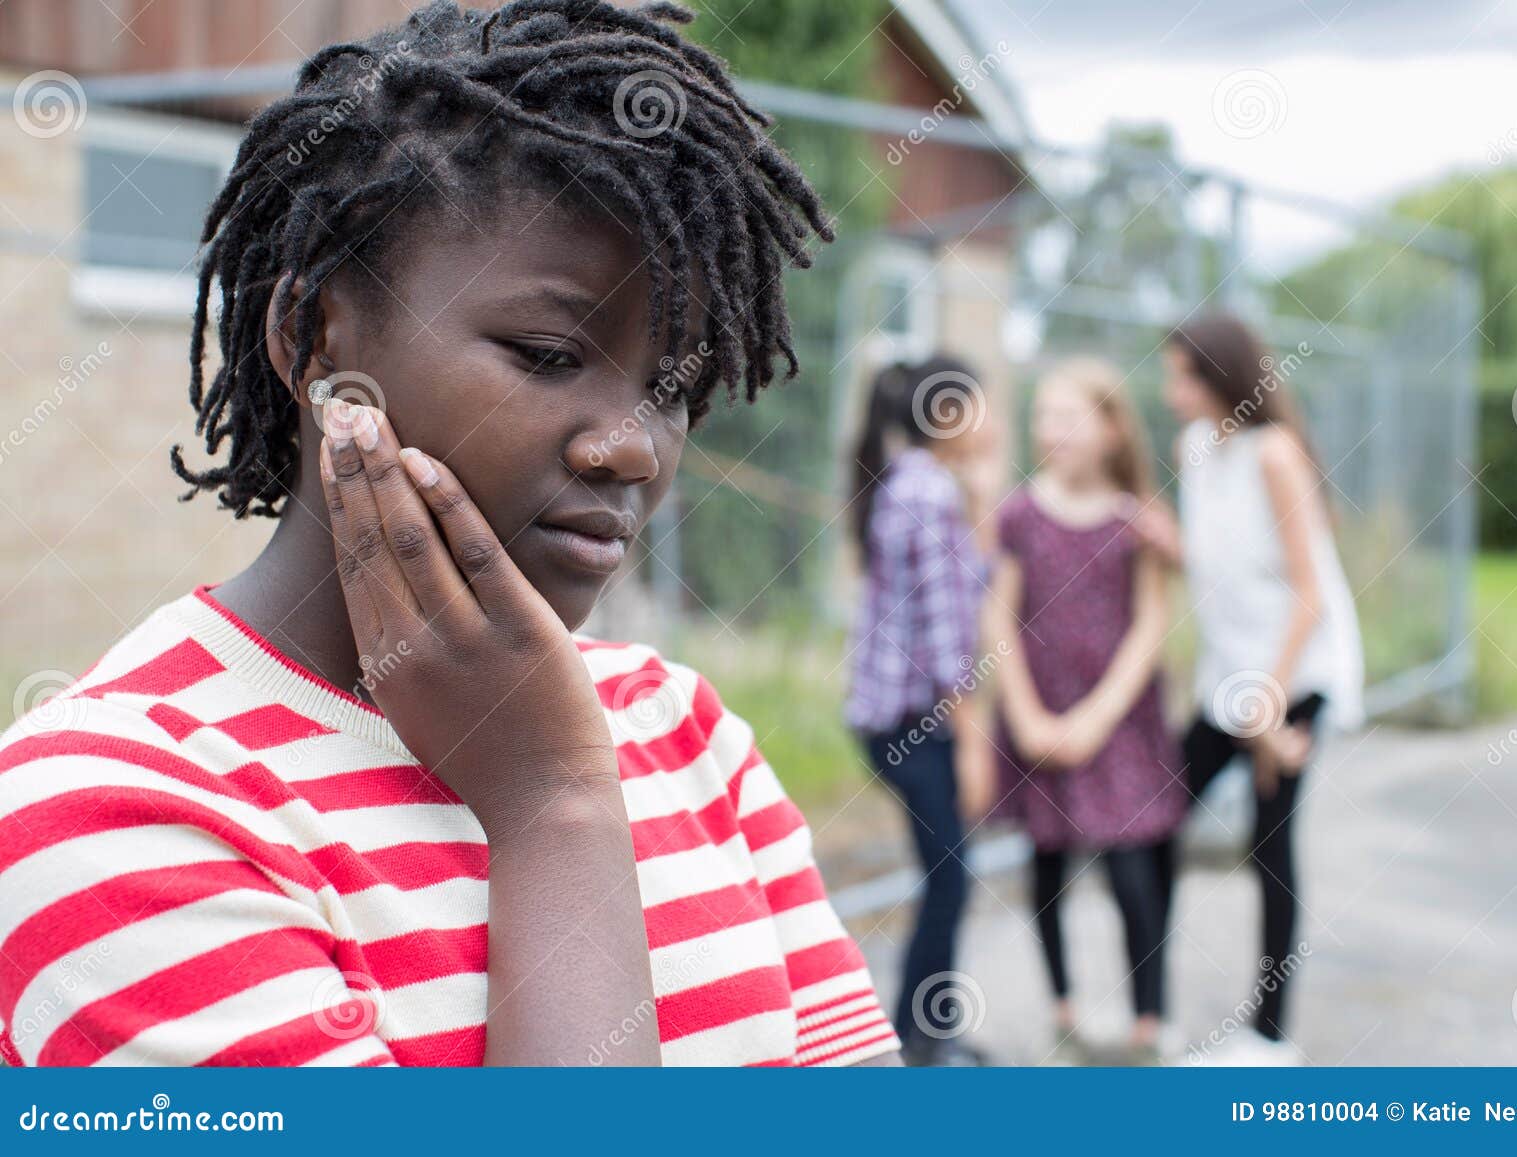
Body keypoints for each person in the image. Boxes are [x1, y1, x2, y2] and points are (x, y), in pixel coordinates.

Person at [0, 1, 901, 1068]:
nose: (636, 449)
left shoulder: (687, 735)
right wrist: (551, 804)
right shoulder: (111, 812)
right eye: (545, 353)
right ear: (310, 335)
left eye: (673, 387)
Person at [1141, 313, 1364, 1065]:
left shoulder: (1276, 455)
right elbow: (1216, 561)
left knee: (1271, 843)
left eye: (1182, 375)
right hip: (1226, 677)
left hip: (1292, 672)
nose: (1170, 391)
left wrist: (1270, 705)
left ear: (1220, 377)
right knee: (1156, 821)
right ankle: (1152, 1013)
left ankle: (1272, 1035)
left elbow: (1309, 592)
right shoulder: (1194, 449)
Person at [985, 358, 1187, 1065]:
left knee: (1135, 864)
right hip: (1039, 714)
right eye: (1043, 415)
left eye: (1069, 416)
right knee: (1046, 860)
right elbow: (999, 619)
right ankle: (1063, 1006)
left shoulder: (1138, 522)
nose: (1052, 430)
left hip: (1120, 725)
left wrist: (1097, 718)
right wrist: (1030, 717)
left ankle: (1149, 1020)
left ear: (1108, 427)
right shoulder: (1018, 511)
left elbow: (1151, 622)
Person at [846, 356, 994, 1066]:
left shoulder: (908, 482)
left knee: (946, 872)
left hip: (892, 717)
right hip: (917, 722)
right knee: (951, 876)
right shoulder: (929, 491)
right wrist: (970, 738)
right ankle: (920, 1036)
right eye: (979, 405)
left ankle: (924, 1027)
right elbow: (943, 634)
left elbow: (964, 588)